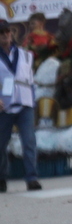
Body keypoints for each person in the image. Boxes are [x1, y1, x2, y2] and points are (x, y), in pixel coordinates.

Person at [0, 19, 39, 193]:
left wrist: (33, 100)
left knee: (29, 141)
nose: (5, 35)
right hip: (4, 106)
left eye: (7, 31)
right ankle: (1, 177)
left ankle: (32, 178)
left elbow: (30, 80)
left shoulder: (25, 55)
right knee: (1, 144)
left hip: (24, 103)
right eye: (1, 33)